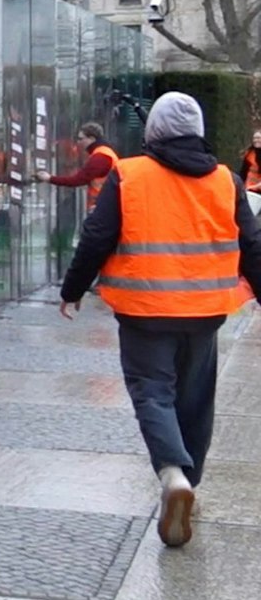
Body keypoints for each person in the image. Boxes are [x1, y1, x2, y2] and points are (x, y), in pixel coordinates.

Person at [60, 92, 261, 548]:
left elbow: (97, 236)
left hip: (144, 309)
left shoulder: (129, 174)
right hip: (206, 310)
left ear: (153, 131)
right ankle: (191, 479)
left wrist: (72, 290)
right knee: (195, 398)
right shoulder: (225, 180)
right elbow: (252, 244)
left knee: (152, 392)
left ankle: (172, 475)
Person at [48, 122, 118, 216]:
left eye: (81, 139)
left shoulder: (100, 157)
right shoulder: (104, 153)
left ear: (92, 139)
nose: (78, 142)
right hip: (104, 205)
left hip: (103, 207)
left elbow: (78, 180)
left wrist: (49, 178)